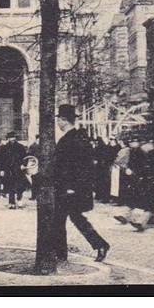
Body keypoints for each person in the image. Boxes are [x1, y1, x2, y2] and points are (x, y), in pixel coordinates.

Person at [53, 105, 110, 262]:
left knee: (61, 219)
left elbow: (78, 167)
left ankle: (62, 254)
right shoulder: (76, 137)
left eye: (59, 119)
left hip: (70, 189)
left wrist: (71, 187)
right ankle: (99, 245)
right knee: (72, 218)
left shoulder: (72, 139)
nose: (57, 122)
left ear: (64, 120)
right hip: (71, 188)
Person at [112, 134, 141, 224]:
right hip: (134, 176)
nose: (131, 143)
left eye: (133, 142)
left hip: (141, 177)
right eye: (130, 142)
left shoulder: (141, 151)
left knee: (146, 199)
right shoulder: (131, 151)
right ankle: (126, 216)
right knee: (134, 197)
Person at [1, 132, 28, 209]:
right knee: (10, 186)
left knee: (20, 186)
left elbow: (25, 158)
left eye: (13, 137)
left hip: (19, 169)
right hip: (9, 170)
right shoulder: (5, 148)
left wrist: (23, 165)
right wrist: (2, 169)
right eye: (10, 138)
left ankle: (19, 199)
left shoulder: (20, 147)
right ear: (8, 139)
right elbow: (2, 160)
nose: (12, 139)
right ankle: (11, 202)